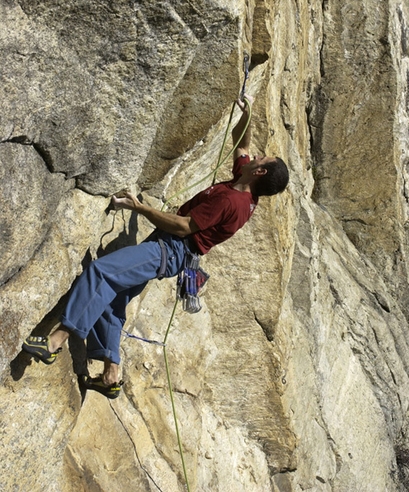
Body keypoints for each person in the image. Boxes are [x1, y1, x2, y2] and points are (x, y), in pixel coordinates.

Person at [22, 96, 289, 398]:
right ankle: (111, 376)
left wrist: (138, 208)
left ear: (260, 172)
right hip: (172, 249)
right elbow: (242, 145)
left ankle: (55, 341)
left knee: (102, 273)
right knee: (113, 301)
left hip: (171, 249)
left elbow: (183, 226)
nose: (256, 156)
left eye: (262, 159)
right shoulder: (243, 183)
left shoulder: (232, 200)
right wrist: (248, 114)